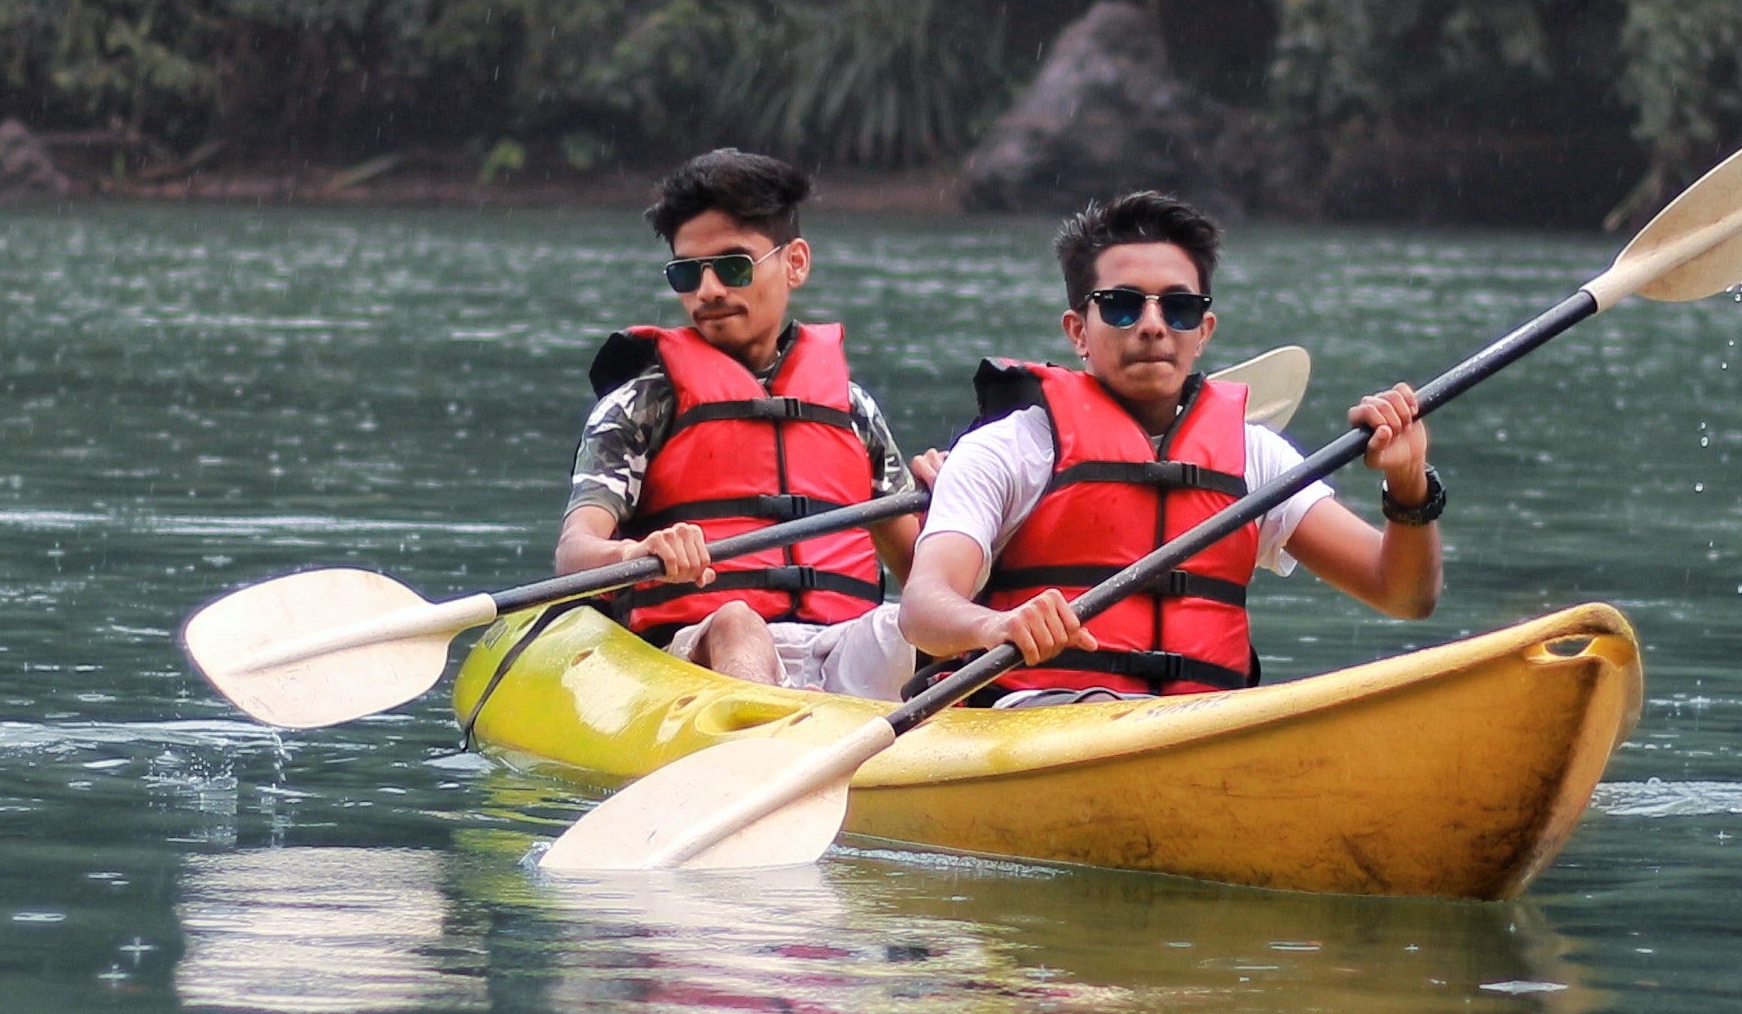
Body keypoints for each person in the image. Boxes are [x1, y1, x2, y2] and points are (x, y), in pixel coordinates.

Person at [902, 187, 1440, 699]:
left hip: (1203, 720)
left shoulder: (1256, 456)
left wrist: (1409, 485)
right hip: (1041, 719)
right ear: (1077, 331)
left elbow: (1403, 593)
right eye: (1121, 305)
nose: (1153, 326)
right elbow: (923, 610)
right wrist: (995, 625)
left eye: (1177, 309)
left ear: (1203, 331)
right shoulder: (1007, 450)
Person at [557, 149, 922, 695]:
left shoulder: (852, 411)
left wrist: (956, 511)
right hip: (699, 652)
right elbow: (574, 556)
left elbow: (922, 571)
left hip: (842, 642)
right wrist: (639, 553)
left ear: (795, 263)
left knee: (915, 627)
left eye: (733, 266)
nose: (708, 291)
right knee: (738, 622)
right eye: (687, 272)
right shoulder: (642, 405)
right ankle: (758, 739)